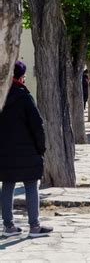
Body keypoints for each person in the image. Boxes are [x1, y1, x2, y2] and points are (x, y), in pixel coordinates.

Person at [0, 61, 53, 237]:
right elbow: (37, 126)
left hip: (5, 153)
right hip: (28, 152)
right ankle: (35, 226)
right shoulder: (24, 97)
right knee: (31, 185)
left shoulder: (1, 97)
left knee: (7, 185)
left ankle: (8, 226)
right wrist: (41, 148)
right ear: (21, 77)